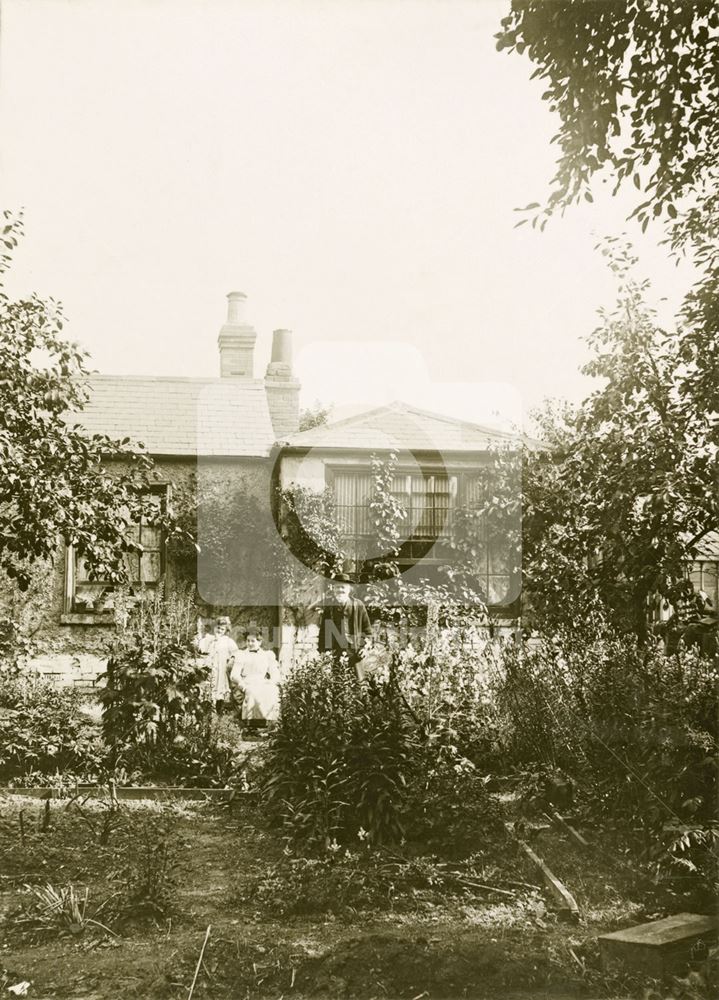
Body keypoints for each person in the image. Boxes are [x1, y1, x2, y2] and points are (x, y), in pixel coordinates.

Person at [229, 629, 283, 730]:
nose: (250, 643)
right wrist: (242, 684)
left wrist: (271, 683)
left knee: (272, 691)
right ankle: (251, 724)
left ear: (259, 641)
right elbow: (234, 674)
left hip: (262, 682)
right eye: (248, 641)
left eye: (253, 641)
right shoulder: (241, 654)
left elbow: (275, 673)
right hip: (247, 681)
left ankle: (269, 724)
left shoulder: (267, 655)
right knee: (253, 692)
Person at [317, 574, 372, 667]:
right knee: (336, 680)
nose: (340, 590)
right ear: (333, 589)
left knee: (358, 680)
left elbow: (367, 631)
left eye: (343, 587)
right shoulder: (329, 608)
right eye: (337, 587)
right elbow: (323, 632)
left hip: (355, 653)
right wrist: (323, 652)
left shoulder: (358, 605)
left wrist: (365, 648)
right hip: (335, 653)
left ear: (349, 589)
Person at [196, 616, 239, 712]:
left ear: (226, 630)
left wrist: (231, 661)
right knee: (208, 687)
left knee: (220, 688)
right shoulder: (208, 639)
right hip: (210, 668)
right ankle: (207, 709)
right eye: (218, 627)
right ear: (214, 627)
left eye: (222, 629)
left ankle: (218, 710)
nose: (219, 630)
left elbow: (236, 654)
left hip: (221, 669)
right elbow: (200, 650)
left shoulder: (227, 641)